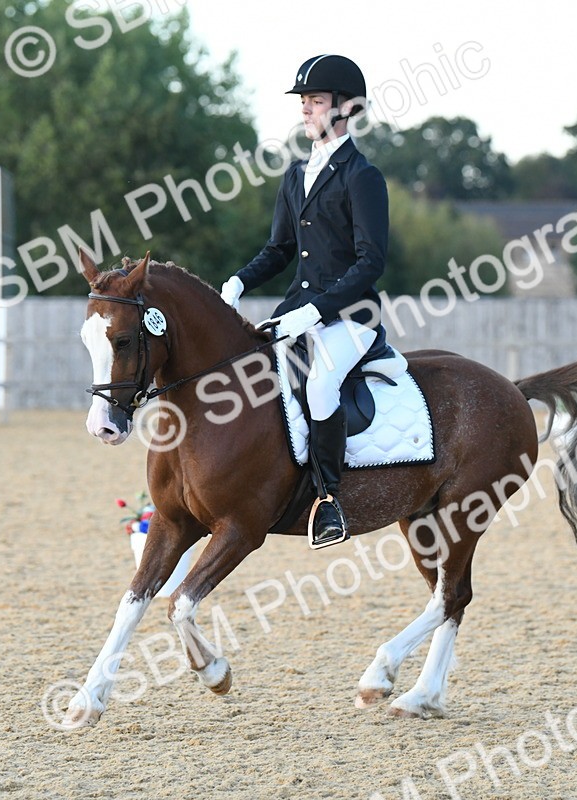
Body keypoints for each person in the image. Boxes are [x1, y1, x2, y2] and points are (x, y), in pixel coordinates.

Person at [219, 54, 389, 549]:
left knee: (318, 385)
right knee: (249, 376)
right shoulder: (296, 176)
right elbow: (280, 250)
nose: (305, 111)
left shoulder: (362, 176)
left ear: (345, 107)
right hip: (295, 313)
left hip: (353, 318)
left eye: (314, 101)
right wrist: (238, 281)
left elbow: (370, 262)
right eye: (305, 102)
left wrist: (318, 312)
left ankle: (329, 501)